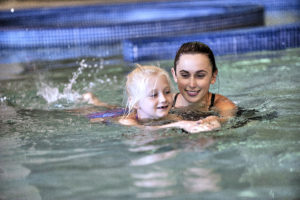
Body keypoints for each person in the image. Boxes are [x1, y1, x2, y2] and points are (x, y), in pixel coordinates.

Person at [83, 65, 215, 133]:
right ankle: (94, 102)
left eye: (167, 92)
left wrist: (205, 122)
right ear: (136, 102)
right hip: (100, 116)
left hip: (129, 109)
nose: (163, 99)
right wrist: (180, 124)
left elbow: (188, 123)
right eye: (153, 95)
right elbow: (145, 130)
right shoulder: (126, 122)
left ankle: (95, 101)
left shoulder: (172, 117)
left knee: (115, 107)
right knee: (105, 109)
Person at [170, 41, 237, 128]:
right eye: (185, 75)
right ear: (174, 75)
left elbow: (228, 119)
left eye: (200, 75)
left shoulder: (224, 106)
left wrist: (219, 121)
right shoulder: (164, 103)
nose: (192, 84)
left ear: (213, 76)